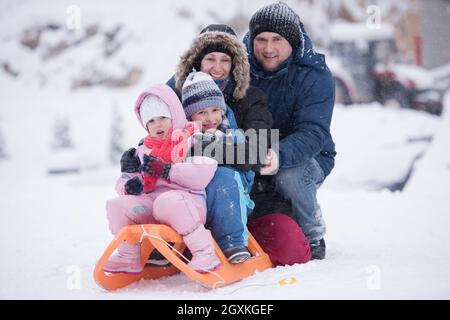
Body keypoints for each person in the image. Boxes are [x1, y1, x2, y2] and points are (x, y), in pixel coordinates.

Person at [167, 24, 277, 264]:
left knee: (221, 177)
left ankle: (231, 242)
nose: (218, 68)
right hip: (186, 183)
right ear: (197, 61)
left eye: (225, 60)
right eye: (210, 59)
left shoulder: (250, 97)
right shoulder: (174, 93)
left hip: (235, 187)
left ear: (235, 63)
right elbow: (159, 138)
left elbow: (255, 152)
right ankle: (161, 244)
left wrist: (192, 149)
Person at [244, 2, 337, 260]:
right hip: (254, 149)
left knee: (288, 176)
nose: (268, 48)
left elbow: (313, 132)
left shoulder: (314, 75)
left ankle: (312, 232)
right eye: (261, 39)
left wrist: (278, 154)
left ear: (292, 42)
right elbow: (201, 73)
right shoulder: (239, 65)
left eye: (277, 39)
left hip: (309, 155)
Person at [104, 84, 221, 274]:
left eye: (163, 118)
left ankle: (204, 252)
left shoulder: (194, 139)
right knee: (117, 205)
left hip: (187, 202)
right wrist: (129, 186)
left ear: (174, 117)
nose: (157, 125)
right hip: (152, 205)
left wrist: (167, 170)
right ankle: (128, 256)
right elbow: (127, 178)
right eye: (151, 120)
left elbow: (202, 173)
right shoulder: (142, 150)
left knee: (167, 202)